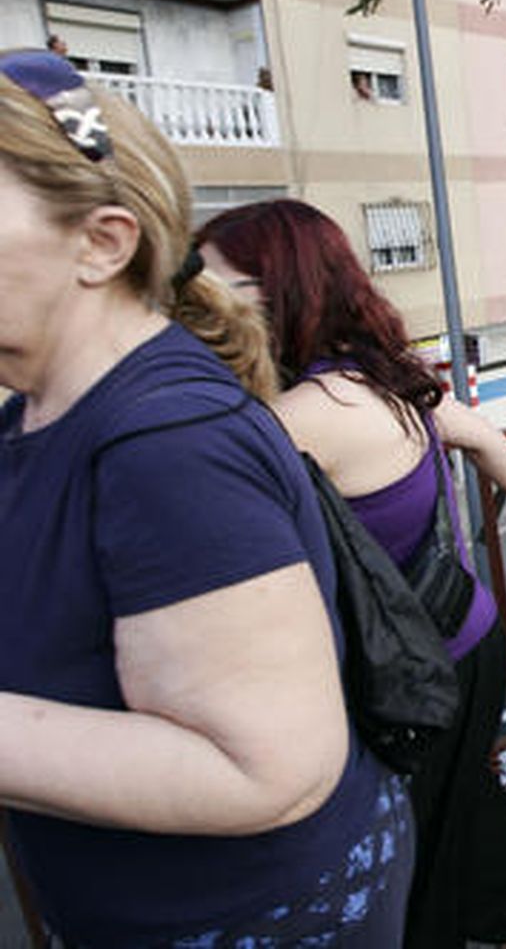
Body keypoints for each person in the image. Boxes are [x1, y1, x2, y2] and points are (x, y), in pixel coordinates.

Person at [0, 48, 412, 944]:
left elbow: (268, 770)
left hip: (249, 919)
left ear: (102, 243)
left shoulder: (166, 446)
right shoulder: (40, 414)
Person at [196, 199, 506, 949]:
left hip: (414, 671)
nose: (191, 309)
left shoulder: (297, 416)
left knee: (410, 845)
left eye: (211, 290)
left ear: (279, 292)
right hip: (463, 641)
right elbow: (483, 436)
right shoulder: (379, 378)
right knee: (457, 800)